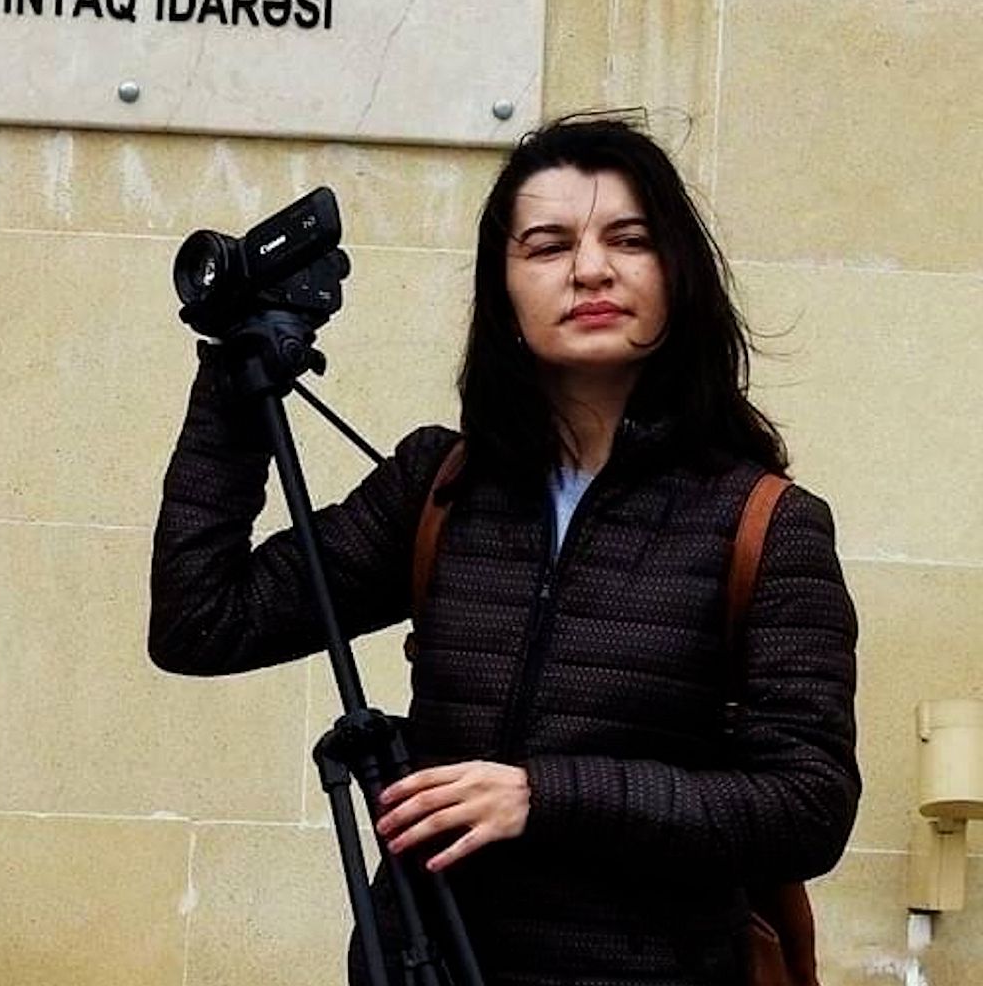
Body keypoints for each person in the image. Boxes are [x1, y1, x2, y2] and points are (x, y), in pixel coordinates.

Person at [150, 118, 859, 985]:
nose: (590, 269)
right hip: (432, 965)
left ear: (677, 275)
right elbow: (202, 622)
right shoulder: (437, 487)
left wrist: (544, 796)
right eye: (548, 246)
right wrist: (235, 387)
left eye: (628, 240)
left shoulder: (765, 524)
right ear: (505, 292)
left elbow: (807, 809)